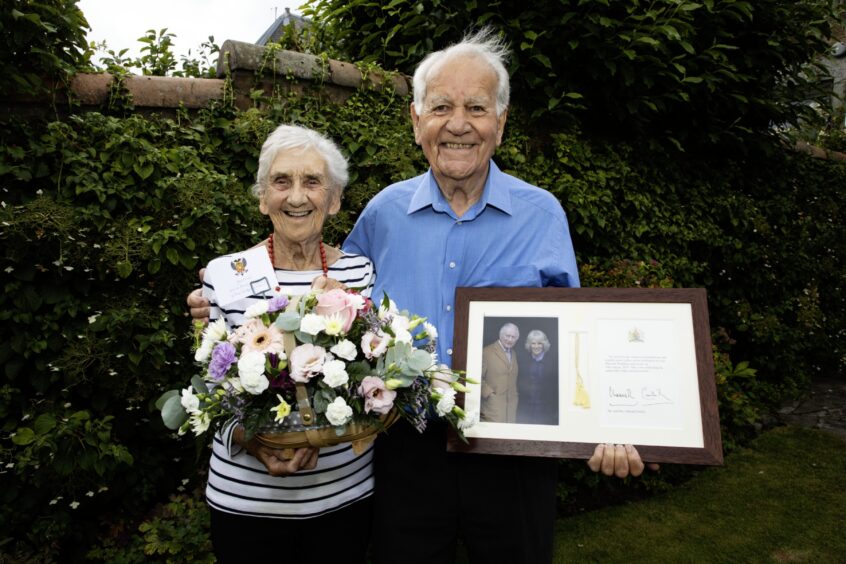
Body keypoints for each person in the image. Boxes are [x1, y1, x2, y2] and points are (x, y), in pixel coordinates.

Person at [189, 28, 654, 563]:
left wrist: (611, 426)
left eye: (476, 107)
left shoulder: (543, 214)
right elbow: (327, 289)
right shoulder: (384, 213)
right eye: (440, 107)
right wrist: (222, 299)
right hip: (404, 453)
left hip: (514, 456)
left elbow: (580, 345)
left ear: (500, 124)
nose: (458, 123)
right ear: (416, 122)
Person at [200, 124, 375, 563]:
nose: (297, 197)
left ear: (333, 200)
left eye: (312, 182)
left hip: (343, 499)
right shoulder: (225, 273)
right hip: (247, 504)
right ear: (263, 197)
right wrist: (253, 440)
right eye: (282, 181)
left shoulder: (360, 274)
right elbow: (208, 390)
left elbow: (374, 378)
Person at [480, 323, 520, 422]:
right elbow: (476, 377)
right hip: (492, 407)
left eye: (513, 337)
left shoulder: (513, 353)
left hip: (510, 407)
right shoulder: (486, 352)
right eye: (508, 336)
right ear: (501, 335)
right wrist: (489, 393)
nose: (510, 340)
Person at [518, 329, 559, 425]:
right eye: (533, 343)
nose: (536, 346)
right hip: (527, 408)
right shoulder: (523, 361)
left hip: (546, 409)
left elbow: (556, 389)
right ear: (529, 345)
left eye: (539, 343)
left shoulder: (553, 362)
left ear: (544, 344)